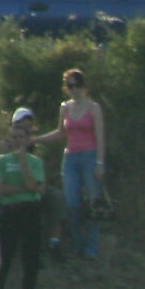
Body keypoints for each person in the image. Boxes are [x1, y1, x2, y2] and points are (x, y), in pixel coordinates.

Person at [0, 109, 50, 289]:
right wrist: (22, 188)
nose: (17, 141)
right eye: (13, 137)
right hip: (10, 212)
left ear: (27, 139)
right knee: (2, 261)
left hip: (30, 212)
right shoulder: (1, 161)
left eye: (21, 137)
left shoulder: (35, 162)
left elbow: (36, 187)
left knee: (30, 263)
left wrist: (23, 161)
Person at [54, 67, 109, 260]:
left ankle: (91, 248)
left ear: (83, 87)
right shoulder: (65, 107)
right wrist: (34, 140)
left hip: (90, 156)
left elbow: (101, 137)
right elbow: (60, 133)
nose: (73, 89)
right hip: (70, 157)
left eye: (77, 85)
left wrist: (100, 162)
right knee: (72, 204)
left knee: (94, 203)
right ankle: (78, 243)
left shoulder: (94, 108)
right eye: (70, 86)